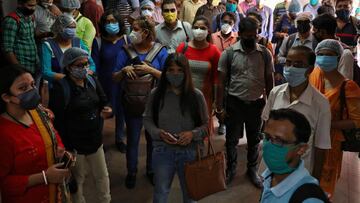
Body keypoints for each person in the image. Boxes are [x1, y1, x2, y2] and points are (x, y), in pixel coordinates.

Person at [216, 17, 274, 187]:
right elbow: (220, 82)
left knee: (254, 139)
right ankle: (231, 169)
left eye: (254, 35)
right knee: (232, 140)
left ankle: (252, 170)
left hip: (256, 104)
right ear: (239, 34)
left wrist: (271, 105)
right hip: (235, 103)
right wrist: (219, 107)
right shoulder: (229, 53)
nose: (252, 39)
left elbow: (269, 80)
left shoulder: (264, 53)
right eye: (247, 36)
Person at [143, 53, 209, 203]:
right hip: (162, 151)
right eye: (171, 70)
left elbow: (206, 125)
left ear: (186, 73)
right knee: (160, 193)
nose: (175, 74)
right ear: (165, 72)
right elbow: (147, 119)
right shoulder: (156, 94)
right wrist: (158, 133)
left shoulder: (196, 96)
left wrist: (193, 134)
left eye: (180, 70)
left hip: (190, 153)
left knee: (191, 195)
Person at [49, 47, 112, 203]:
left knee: (102, 178)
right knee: (77, 182)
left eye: (86, 64)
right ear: (69, 67)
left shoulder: (91, 80)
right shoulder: (61, 88)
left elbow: (104, 101)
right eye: (79, 65)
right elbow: (58, 121)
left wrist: (108, 109)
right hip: (75, 146)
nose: (84, 68)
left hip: (95, 141)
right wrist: (67, 148)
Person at [0, 64, 70, 203]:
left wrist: (59, 150)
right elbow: (3, 184)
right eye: (23, 88)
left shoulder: (39, 113)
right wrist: (44, 177)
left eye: (32, 84)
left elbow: (54, 135)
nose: (32, 91)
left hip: (53, 195)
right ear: (7, 97)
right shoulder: (3, 133)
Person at [112, 16, 168, 189]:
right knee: (133, 139)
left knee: (153, 140)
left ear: (146, 32)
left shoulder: (160, 51)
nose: (132, 32)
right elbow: (114, 78)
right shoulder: (125, 51)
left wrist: (151, 70)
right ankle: (132, 171)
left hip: (154, 105)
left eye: (135, 29)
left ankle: (151, 169)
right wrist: (123, 70)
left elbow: (169, 78)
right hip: (132, 104)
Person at [262, 46, 331, 180]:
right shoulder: (275, 93)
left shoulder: (320, 103)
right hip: (270, 168)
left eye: (298, 64)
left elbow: (321, 147)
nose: (290, 68)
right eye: (288, 63)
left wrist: (314, 182)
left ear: (310, 69)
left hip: (299, 171)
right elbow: (267, 129)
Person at [309, 39, 360, 198]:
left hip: (331, 143)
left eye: (329, 55)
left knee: (324, 182)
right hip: (308, 138)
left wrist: (326, 123)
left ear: (338, 58)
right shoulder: (313, 75)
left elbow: (356, 121)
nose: (324, 58)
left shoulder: (348, 87)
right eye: (320, 54)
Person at [260, 108, 329, 203]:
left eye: (279, 140)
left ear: (301, 149)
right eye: (267, 137)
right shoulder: (269, 176)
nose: (269, 145)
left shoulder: (309, 199)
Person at [91, 9, 128, 153]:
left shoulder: (126, 40)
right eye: (107, 22)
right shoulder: (98, 42)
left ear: (119, 23)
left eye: (113, 21)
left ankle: (119, 139)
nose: (111, 24)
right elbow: (94, 67)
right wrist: (96, 87)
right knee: (102, 112)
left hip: (123, 83)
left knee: (121, 111)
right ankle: (98, 141)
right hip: (104, 84)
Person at [176, 15, 221, 134]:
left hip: (205, 98)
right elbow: (175, 73)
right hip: (183, 95)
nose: (199, 30)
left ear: (208, 31)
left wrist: (216, 100)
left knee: (201, 131)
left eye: (202, 28)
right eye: (195, 27)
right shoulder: (182, 48)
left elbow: (217, 78)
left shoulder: (214, 51)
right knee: (183, 130)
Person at [40, 14, 95, 82]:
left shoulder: (78, 42)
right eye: (69, 27)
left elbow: (92, 65)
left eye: (74, 27)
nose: (72, 30)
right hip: (58, 87)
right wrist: (70, 79)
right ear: (60, 28)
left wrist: (85, 75)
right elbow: (46, 73)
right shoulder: (48, 45)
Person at [276, 12, 317, 84]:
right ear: (296, 24)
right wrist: (292, 61)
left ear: (311, 24)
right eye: (300, 22)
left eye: (306, 22)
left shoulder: (316, 41)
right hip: (290, 77)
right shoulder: (289, 39)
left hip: (310, 78)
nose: (303, 25)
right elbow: (279, 57)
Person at [1, 0, 39, 75]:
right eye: (30, 6)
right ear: (20, 5)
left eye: (35, 5)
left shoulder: (31, 17)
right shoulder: (11, 20)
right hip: (22, 67)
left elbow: (31, 38)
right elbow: (7, 49)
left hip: (34, 64)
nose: (33, 8)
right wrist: (20, 70)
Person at [312, 13, 355, 80]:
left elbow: (345, 83)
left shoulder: (345, 53)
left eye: (315, 31)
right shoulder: (319, 48)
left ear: (323, 32)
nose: (313, 34)